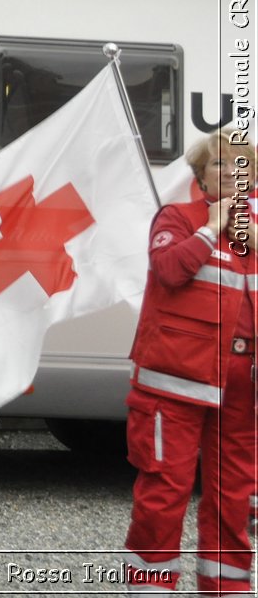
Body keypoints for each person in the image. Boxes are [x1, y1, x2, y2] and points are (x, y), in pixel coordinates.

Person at [122, 124, 256, 595]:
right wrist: (210, 230)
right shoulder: (176, 216)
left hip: (241, 396)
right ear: (202, 174)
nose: (232, 171)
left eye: (242, 165)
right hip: (172, 388)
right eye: (221, 162)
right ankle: (150, 589)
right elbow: (169, 270)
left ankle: (227, 589)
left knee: (234, 500)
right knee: (164, 496)